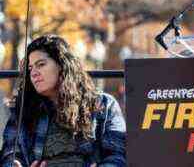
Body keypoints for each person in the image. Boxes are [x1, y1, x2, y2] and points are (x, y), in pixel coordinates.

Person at [0, 35, 126, 167]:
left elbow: (117, 155)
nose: (33, 73)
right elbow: (10, 153)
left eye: (41, 65)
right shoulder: (22, 110)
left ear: (62, 65)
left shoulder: (104, 105)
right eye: (30, 68)